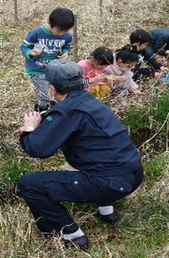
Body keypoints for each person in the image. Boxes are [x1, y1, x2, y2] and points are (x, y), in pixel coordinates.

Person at [15, 59, 143, 249]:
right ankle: (106, 211)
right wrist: (47, 119)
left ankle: (71, 234)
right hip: (134, 174)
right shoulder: (89, 101)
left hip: (110, 183)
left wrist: (29, 129)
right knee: (98, 157)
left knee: (29, 184)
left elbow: (38, 149)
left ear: (52, 88)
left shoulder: (66, 112)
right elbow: (66, 118)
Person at [20, 7, 74, 111]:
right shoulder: (36, 33)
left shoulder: (67, 36)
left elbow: (66, 47)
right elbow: (24, 47)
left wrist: (66, 53)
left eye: (65, 31)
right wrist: (30, 53)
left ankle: (48, 111)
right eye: (59, 30)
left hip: (54, 69)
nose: (61, 33)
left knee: (55, 94)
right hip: (37, 69)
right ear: (49, 23)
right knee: (47, 95)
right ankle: (41, 112)